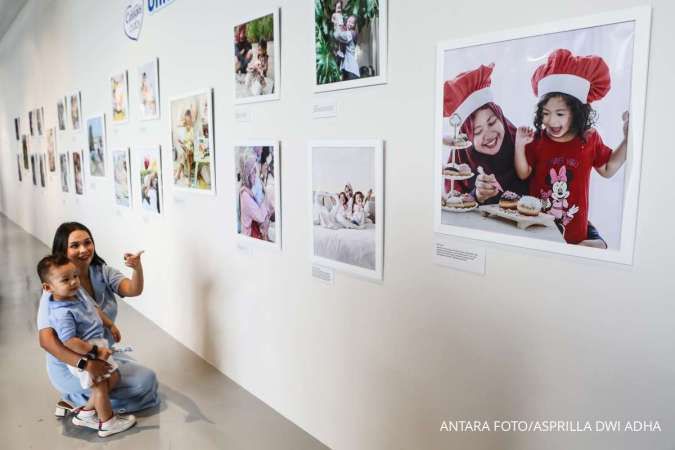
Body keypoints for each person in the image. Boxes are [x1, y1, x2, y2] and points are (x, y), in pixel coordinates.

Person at [37, 222, 159, 417]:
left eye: (88, 242)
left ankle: (88, 400)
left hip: (100, 351)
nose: (84, 249)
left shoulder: (101, 271)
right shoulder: (54, 294)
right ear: (63, 250)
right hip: (72, 363)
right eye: (75, 245)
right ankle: (76, 401)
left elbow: (133, 290)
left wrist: (137, 268)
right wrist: (86, 365)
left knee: (148, 379)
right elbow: (47, 342)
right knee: (140, 386)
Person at [514, 49, 628, 247]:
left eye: (559, 114)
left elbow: (609, 169)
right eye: (546, 113)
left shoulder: (589, 139)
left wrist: (628, 140)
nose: (551, 120)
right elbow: (524, 174)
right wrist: (519, 146)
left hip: (575, 232)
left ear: (576, 113)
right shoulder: (538, 139)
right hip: (537, 227)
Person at [38, 254, 136, 437]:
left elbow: (94, 310)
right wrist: (95, 352)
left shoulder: (76, 295)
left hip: (96, 345)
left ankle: (85, 413)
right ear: (48, 287)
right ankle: (107, 423)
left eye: (75, 276)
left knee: (112, 378)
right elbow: (69, 341)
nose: (74, 282)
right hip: (85, 351)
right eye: (65, 280)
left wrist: (109, 324)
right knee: (99, 385)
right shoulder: (61, 312)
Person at [239, 149, 272, 240]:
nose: (255, 175)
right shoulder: (245, 196)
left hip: (255, 235)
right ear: (247, 175)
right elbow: (262, 216)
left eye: (255, 171)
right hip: (250, 237)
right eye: (252, 172)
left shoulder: (249, 189)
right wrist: (264, 197)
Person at [333, 16, 360, 81]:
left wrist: (338, 25)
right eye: (348, 21)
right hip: (346, 70)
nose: (349, 23)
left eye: (352, 22)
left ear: (354, 25)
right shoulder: (347, 33)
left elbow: (337, 35)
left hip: (351, 70)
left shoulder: (352, 33)